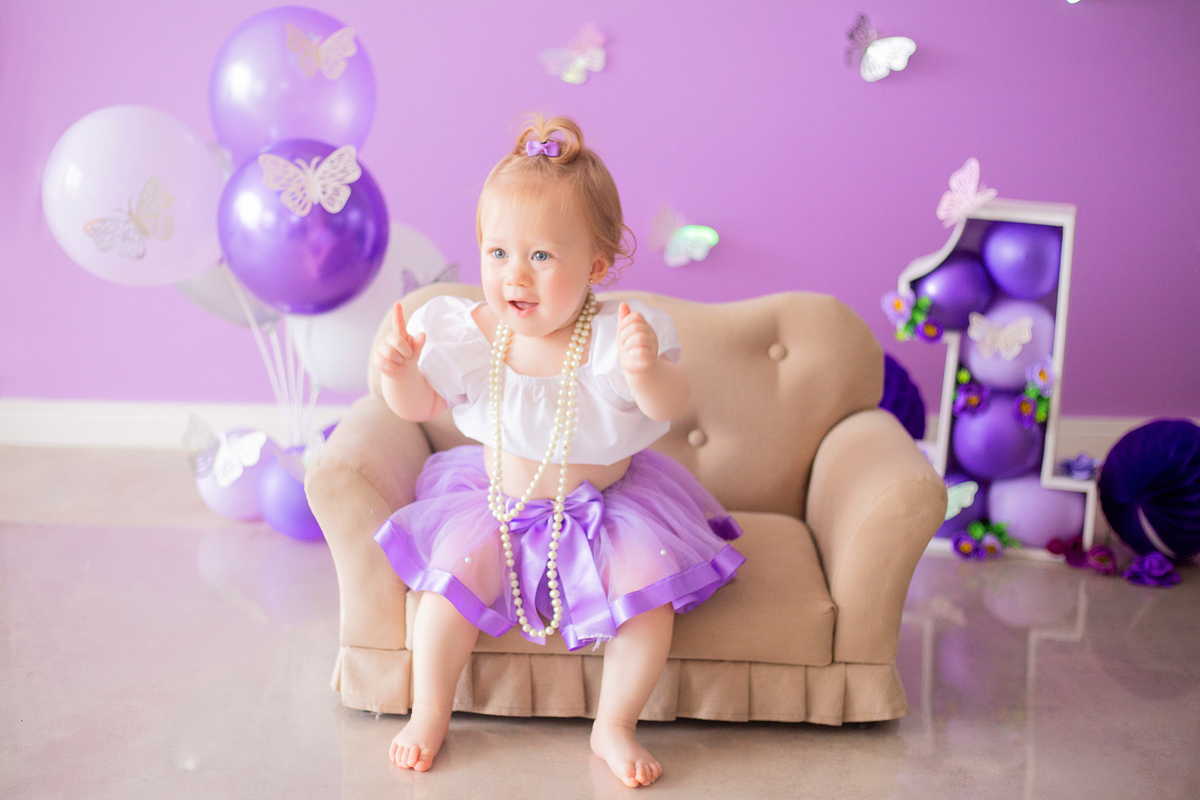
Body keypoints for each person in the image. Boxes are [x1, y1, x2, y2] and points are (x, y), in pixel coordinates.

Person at [371, 114, 744, 787]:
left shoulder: (615, 335)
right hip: (496, 502)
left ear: (596, 265)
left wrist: (645, 371)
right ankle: (429, 712)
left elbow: (668, 405)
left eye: (542, 256)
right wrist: (398, 374)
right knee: (446, 591)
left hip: (608, 504)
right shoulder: (468, 334)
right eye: (498, 253)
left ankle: (615, 724)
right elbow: (423, 408)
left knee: (646, 596)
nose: (517, 275)